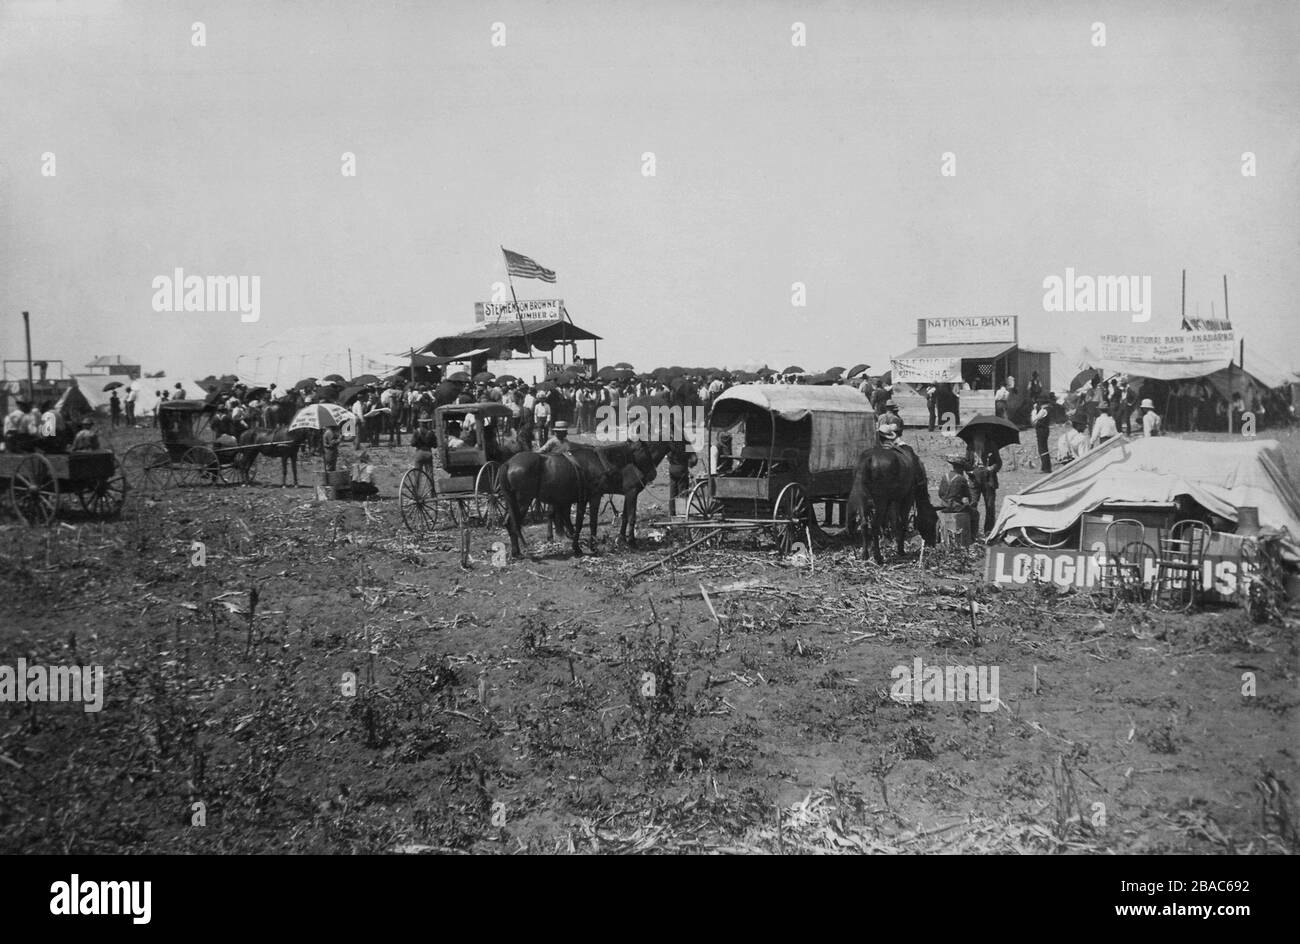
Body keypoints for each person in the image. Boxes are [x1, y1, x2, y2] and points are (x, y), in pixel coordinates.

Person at [937, 453, 979, 536]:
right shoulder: (961, 479)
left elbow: (940, 494)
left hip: (944, 506)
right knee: (975, 513)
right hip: (956, 507)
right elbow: (969, 497)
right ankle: (973, 537)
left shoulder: (944, 477)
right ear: (961, 468)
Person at [1031, 396, 1052, 473]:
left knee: (1042, 448)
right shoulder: (1047, 409)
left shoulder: (1043, 411)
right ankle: (1046, 466)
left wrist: (1034, 411)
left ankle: (1045, 467)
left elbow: (1034, 420)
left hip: (1041, 430)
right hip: (1044, 429)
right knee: (1044, 448)